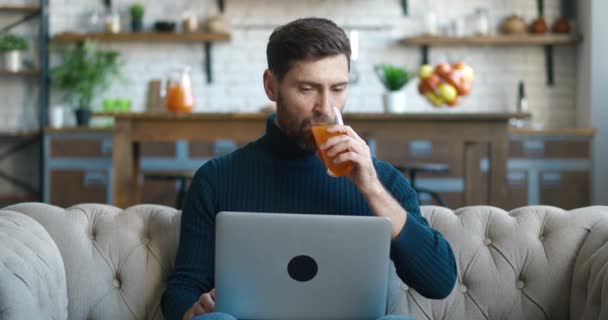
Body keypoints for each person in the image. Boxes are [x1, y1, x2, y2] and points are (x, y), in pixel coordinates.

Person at [161, 17, 457, 320]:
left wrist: (371, 188)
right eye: (307, 89)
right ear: (271, 86)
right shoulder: (217, 178)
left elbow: (440, 283)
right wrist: (192, 310)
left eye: (338, 89)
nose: (326, 107)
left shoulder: (382, 180)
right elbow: (182, 289)